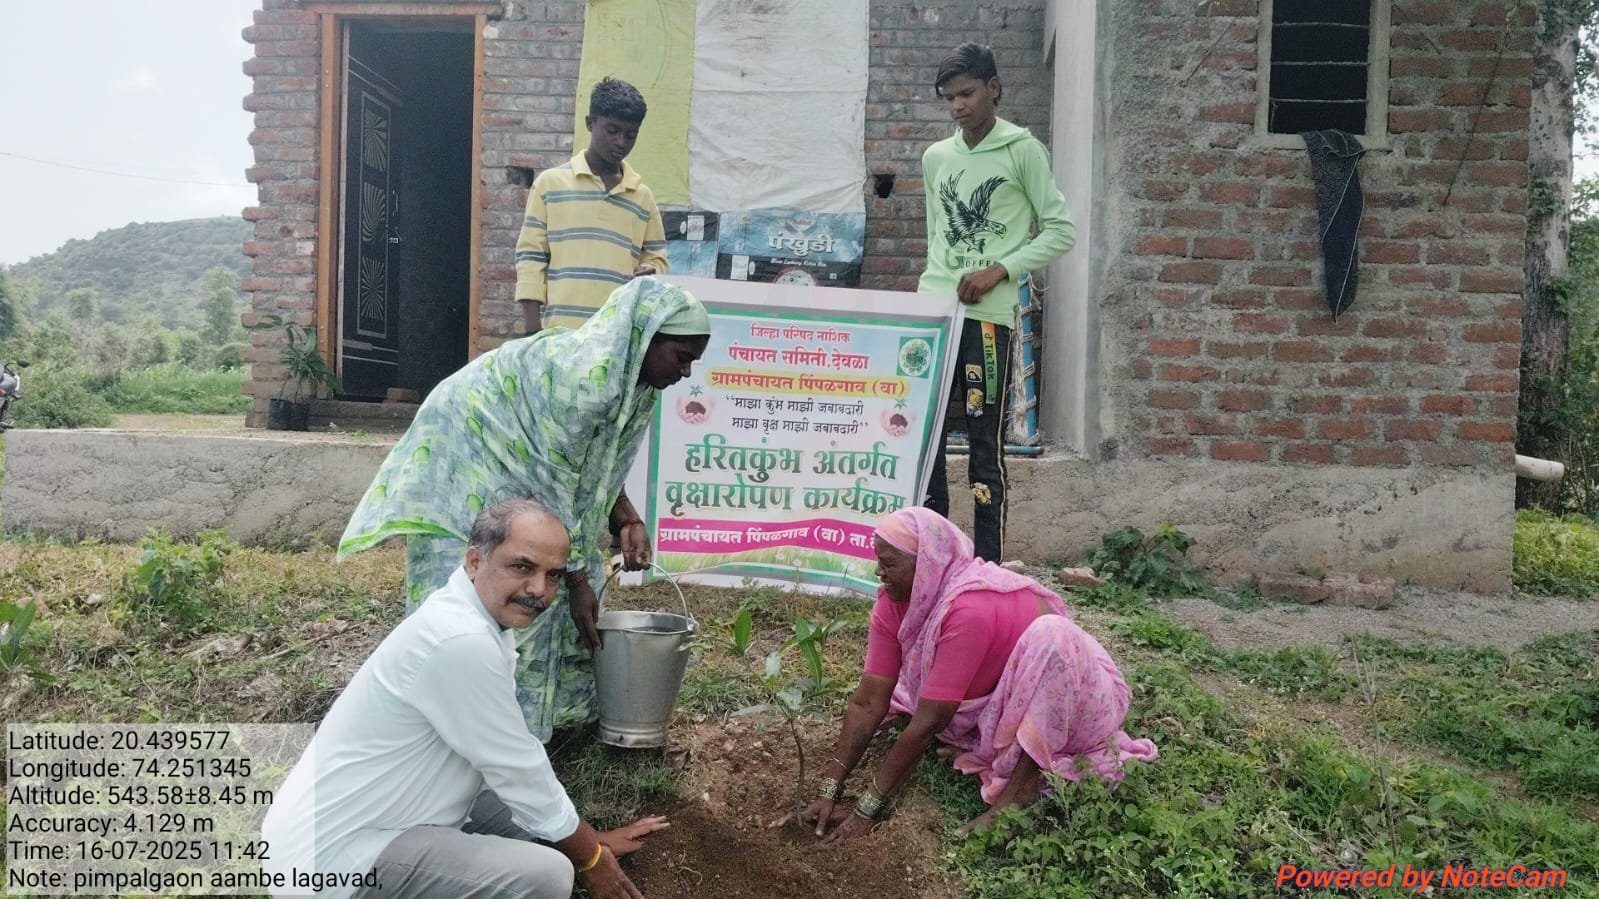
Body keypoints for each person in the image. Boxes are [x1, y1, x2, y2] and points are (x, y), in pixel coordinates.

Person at [338, 277, 711, 741]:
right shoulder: (585, 380)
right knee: (489, 593)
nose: (686, 374)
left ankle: (543, 731)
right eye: (681, 358)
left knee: (562, 584)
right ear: (643, 337)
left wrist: (625, 519)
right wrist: (572, 577)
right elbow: (554, 482)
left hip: (527, 473)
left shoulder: (635, 384)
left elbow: (596, 466)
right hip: (465, 458)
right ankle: (460, 736)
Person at [264, 500, 667, 899]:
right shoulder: (460, 641)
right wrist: (591, 860)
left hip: (370, 820)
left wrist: (588, 841)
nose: (539, 590)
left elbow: (516, 776)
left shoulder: (470, 617)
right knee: (546, 875)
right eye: (522, 567)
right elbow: (518, 770)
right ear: (475, 561)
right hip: (333, 859)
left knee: (512, 808)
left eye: (554, 575)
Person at [800, 508, 1156, 841]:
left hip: (1074, 704)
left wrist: (866, 809)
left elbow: (929, 722)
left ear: (926, 565)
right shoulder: (893, 602)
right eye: (878, 560)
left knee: (1052, 633)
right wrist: (829, 790)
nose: (879, 571)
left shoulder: (968, 607)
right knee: (913, 701)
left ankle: (1018, 793)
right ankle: (997, 743)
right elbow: (867, 702)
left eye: (888, 563)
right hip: (1001, 704)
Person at [919, 42, 1076, 563]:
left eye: (966, 93)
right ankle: (933, 562)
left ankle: (986, 571)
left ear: (993, 88)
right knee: (927, 446)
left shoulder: (1021, 149)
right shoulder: (936, 157)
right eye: (949, 98)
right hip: (933, 319)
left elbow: (1059, 230)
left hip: (987, 323)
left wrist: (1000, 270)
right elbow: (935, 238)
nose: (957, 106)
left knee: (984, 450)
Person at [516, 76, 669, 334]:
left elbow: (658, 259)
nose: (621, 142)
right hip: (560, 335)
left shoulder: (642, 197)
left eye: (631, 135)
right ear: (590, 123)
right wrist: (533, 328)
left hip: (617, 336)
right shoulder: (550, 185)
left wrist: (651, 269)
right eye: (612, 131)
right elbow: (531, 257)